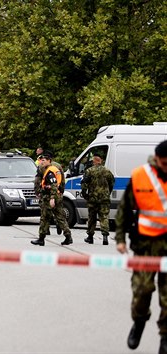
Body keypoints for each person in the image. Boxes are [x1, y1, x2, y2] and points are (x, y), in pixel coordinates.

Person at [116, 140, 167, 354]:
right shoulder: (140, 175)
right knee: (142, 290)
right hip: (145, 245)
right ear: (156, 159)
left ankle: (165, 337)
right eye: (164, 163)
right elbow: (124, 209)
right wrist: (119, 238)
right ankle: (139, 322)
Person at [31, 153, 73, 246]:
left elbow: (53, 185)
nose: (41, 162)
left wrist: (52, 198)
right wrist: (60, 192)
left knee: (44, 218)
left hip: (49, 196)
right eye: (41, 160)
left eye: (43, 160)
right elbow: (61, 181)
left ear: (49, 160)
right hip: (57, 195)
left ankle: (41, 239)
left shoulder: (50, 171)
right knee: (60, 217)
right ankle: (68, 236)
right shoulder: (56, 168)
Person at [81, 153, 114, 245]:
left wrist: (85, 195)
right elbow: (111, 184)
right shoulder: (107, 171)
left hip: (93, 198)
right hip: (104, 198)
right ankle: (105, 237)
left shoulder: (89, 171)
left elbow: (84, 184)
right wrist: (108, 193)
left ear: (94, 160)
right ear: (101, 161)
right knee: (104, 216)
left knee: (92, 217)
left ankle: (90, 237)